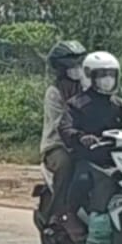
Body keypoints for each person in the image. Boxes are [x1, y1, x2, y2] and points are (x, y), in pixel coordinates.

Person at [56, 51, 122, 240]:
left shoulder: (119, 104)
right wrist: (81, 137)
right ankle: (70, 214)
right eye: (102, 75)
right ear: (90, 76)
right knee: (84, 178)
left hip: (117, 157)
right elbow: (64, 127)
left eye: (111, 75)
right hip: (89, 157)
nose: (107, 80)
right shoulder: (76, 104)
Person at [38, 40, 87, 223]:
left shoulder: (87, 88)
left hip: (84, 142)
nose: (76, 68)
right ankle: (57, 215)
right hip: (57, 146)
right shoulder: (54, 93)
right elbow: (62, 125)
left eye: (79, 63)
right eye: (72, 65)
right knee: (66, 165)